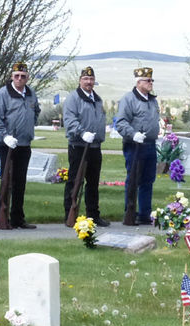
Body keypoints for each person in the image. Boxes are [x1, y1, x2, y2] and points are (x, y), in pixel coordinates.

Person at [0, 62, 41, 229]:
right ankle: (2, 216)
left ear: (27, 77)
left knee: (20, 182)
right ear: (12, 77)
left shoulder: (31, 94)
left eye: (23, 76)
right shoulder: (3, 94)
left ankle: (18, 218)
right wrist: (5, 136)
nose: (20, 79)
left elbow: (36, 112)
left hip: (24, 144)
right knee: (7, 181)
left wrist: (28, 129)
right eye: (17, 76)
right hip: (8, 144)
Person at [63, 66, 110, 227]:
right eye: (85, 79)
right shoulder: (73, 98)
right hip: (79, 145)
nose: (89, 82)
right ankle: (70, 212)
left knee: (93, 182)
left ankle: (93, 215)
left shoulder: (97, 99)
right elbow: (70, 120)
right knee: (75, 181)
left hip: (95, 146)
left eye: (91, 79)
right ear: (80, 81)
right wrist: (81, 132)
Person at [115, 67, 160, 225]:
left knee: (148, 180)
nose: (150, 83)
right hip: (134, 145)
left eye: (151, 80)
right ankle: (130, 211)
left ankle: (145, 213)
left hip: (149, 144)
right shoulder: (129, 99)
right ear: (138, 82)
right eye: (148, 81)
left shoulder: (152, 100)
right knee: (133, 179)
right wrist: (133, 134)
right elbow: (120, 123)